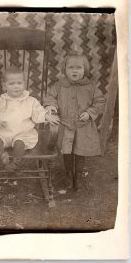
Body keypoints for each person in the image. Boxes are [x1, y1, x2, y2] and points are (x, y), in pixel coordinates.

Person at [44, 53, 105, 191]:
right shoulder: (59, 86)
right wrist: (51, 106)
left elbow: (100, 102)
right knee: (67, 151)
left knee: (80, 151)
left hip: (83, 126)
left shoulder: (91, 87)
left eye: (79, 67)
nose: (75, 70)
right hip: (65, 125)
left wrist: (89, 113)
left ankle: (78, 175)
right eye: (71, 67)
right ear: (65, 69)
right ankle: (68, 174)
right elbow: (50, 98)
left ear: (85, 70)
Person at [0, 67, 59, 171]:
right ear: (4, 85)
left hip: (23, 133)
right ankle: (1, 155)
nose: (16, 87)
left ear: (24, 84)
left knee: (20, 143)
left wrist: (46, 116)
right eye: (11, 84)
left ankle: (16, 162)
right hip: (3, 132)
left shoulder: (31, 101)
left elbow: (38, 112)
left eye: (19, 83)